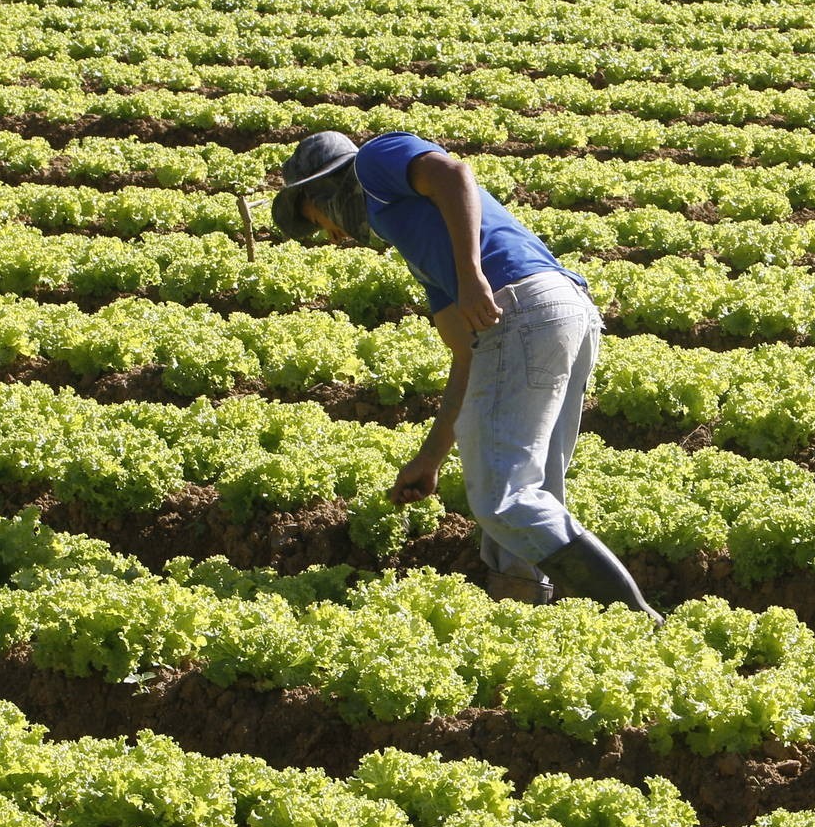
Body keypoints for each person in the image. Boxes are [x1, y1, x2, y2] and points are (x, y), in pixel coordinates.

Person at [272, 128, 661, 622]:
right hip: (561, 312)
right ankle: (522, 615)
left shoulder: (373, 162)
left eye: (315, 218)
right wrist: (430, 458)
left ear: (322, 190)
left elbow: (454, 174)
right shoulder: (416, 242)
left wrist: (473, 274)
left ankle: (634, 618)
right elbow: (469, 356)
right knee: (531, 494)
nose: (330, 235)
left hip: (522, 306)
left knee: (503, 498)